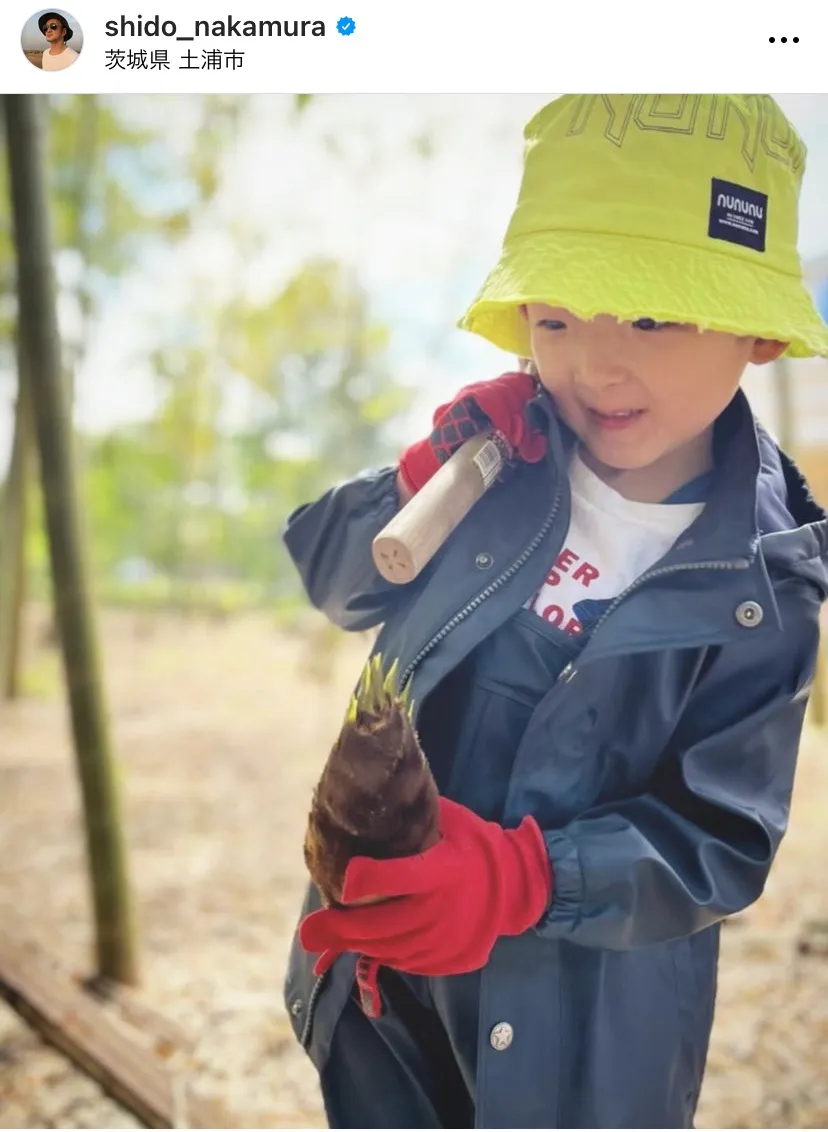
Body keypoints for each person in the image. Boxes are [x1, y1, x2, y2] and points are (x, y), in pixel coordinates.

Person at [281, 94, 828, 1129]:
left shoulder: (769, 582)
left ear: (758, 331)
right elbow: (334, 577)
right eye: (557, 317)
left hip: (585, 1039)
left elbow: (720, 837)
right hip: (383, 989)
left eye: (655, 316)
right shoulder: (497, 467)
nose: (593, 365)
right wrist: (417, 474)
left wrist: (524, 878)